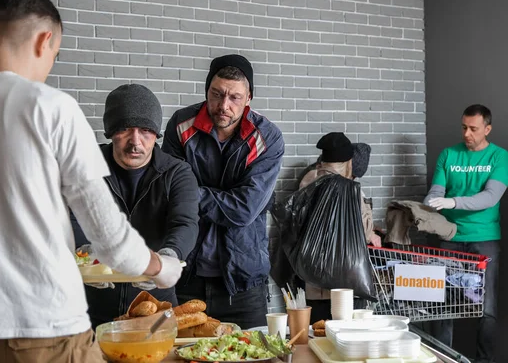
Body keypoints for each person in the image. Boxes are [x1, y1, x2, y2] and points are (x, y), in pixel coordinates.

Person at [0, 0, 182, 362]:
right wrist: (163, 268)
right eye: (56, 54)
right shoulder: (49, 107)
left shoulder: (176, 173)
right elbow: (109, 237)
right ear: (44, 40)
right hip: (41, 327)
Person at [162, 54, 284, 329]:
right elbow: (172, 194)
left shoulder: (267, 138)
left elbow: (244, 210)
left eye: (235, 98)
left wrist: (195, 193)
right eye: (216, 95)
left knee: (251, 357)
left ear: (249, 98)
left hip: (243, 283)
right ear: (207, 90)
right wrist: (221, 197)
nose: (223, 106)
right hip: (185, 276)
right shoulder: (181, 125)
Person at [73, 84, 200, 327]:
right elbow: (70, 217)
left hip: (155, 309)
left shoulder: (177, 173)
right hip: (87, 311)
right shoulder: (87, 165)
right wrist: (84, 254)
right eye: (125, 130)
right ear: (110, 132)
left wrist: (167, 258)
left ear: (156, 134)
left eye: (145, 131)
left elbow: (185, 223)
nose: (136, 142)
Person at [423, 104, 508, 363]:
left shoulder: (499, 157)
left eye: (473, 129)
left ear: (487, 129)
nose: (467, 134)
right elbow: (437, 190)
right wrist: (433, 200)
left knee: (486, 307)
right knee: (442, 304)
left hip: (484, 238)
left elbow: (490, 197)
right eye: (464, 127)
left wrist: (453, 202)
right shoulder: (448, 155)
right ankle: (441, 358)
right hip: (450, 237)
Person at [299, 132, 381, 323]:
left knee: (318, 338)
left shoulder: (307, 183)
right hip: (348, 284)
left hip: (314, 281)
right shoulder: (349, 190)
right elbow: (363, 230)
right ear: (348, 162)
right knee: (347, 340)